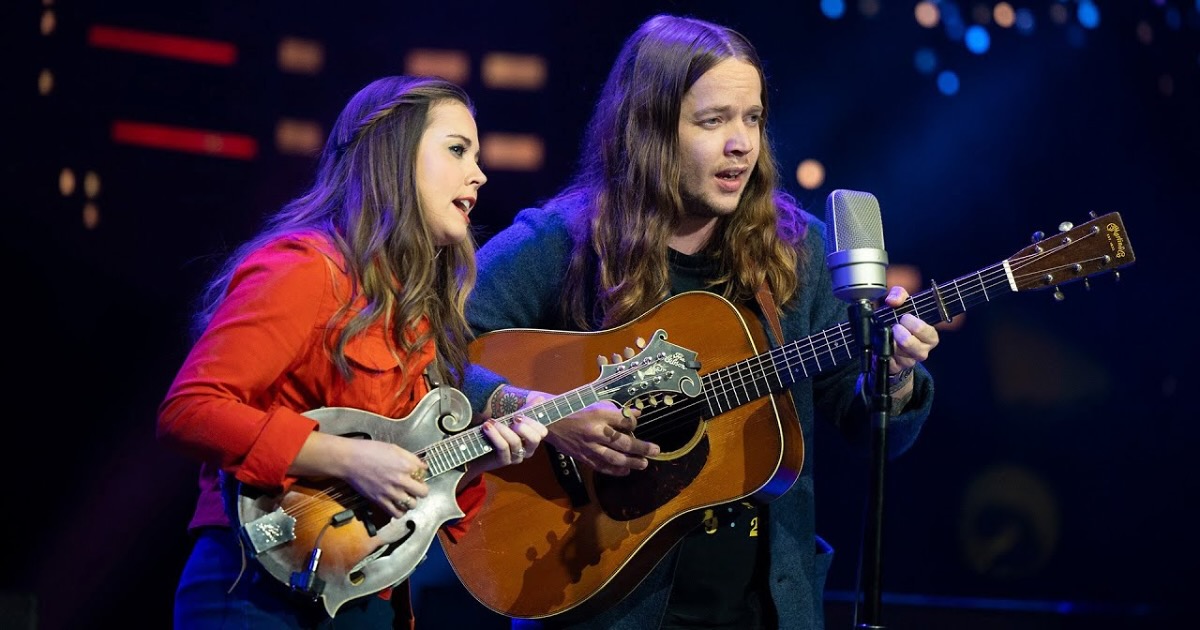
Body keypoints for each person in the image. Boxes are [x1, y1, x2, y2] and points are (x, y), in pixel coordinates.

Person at [461, 14, 939, 630]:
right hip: (598, 599)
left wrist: (893, 379)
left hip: (762, 608)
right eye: (713, 121)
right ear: (650, 132)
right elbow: (427, 348)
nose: (742, 143)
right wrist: (540, 413)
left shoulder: (800, 252)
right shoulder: (562, 241)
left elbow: (869, 428)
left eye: (753, 119)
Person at [157, 75, 548, 629]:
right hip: (258, 592)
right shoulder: (304, 270)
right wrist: (348, 458)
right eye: (457, 149)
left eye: (477, 156)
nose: (479, 174)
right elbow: (189, 411)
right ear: (395, 156)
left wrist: (483, 455)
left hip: (366, 599)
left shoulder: (416, 313)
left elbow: (402, 468)